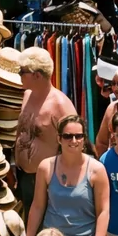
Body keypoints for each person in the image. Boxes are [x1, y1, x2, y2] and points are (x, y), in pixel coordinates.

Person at [14, 49, 80, 209]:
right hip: (22, 175)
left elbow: (76, 145)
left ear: (37, 75)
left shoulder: (61, 105)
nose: (19, 75)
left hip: (48, 181)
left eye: (22, 71)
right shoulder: (27, 95)